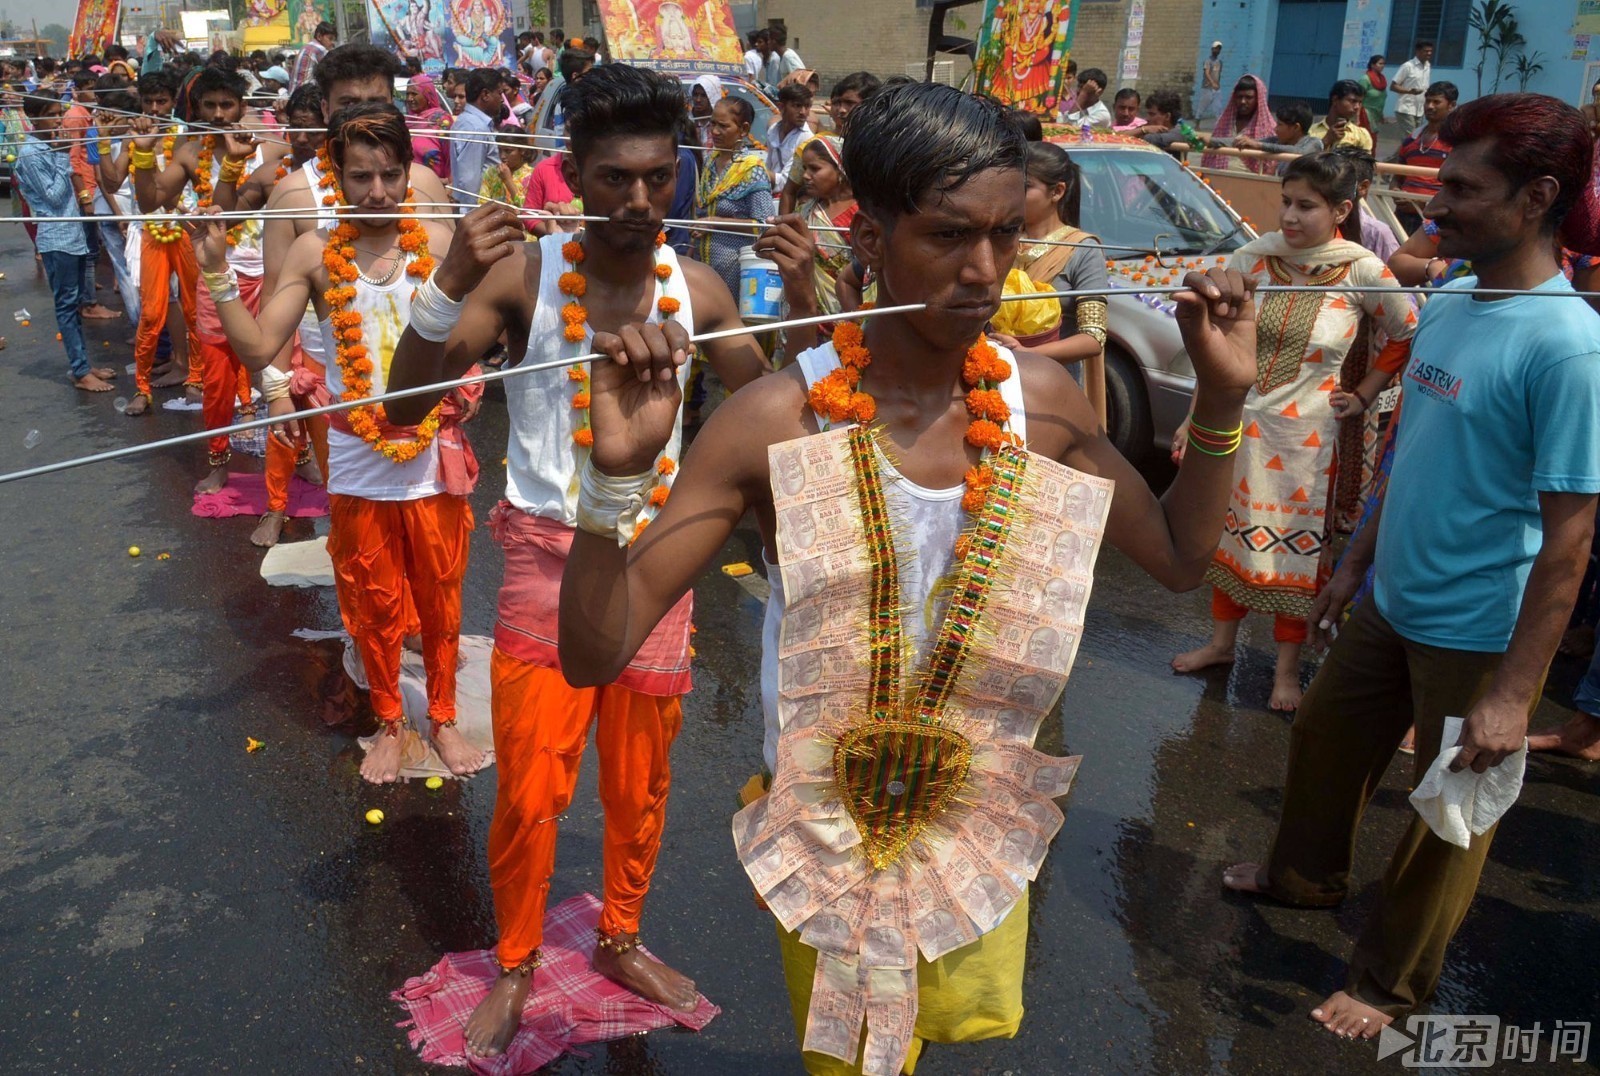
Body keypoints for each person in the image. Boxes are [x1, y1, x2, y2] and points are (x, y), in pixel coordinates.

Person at [554, 79, 1261, 1076]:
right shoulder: (774, 421)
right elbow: (594, 654)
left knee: (938, 1044)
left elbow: (1182, 561)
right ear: (869, 237)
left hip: (978, 824)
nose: (984, 271)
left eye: (1005, 235)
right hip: (831, 831)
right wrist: (610, 484)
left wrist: (1223, 401)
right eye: (948, 235)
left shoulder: (1040, 401)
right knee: (856, 1062)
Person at [379, 61, 767, 1059]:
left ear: (678, 173)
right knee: (529, 787)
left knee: (640, 782)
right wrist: (447, 285)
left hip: (656, 560)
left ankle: (621, 936)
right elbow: (403, 406)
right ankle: (515, 960)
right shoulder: (526, 278)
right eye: (614, 178)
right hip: (548, 563)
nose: (638, 199)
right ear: (573, 175)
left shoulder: (700, 288)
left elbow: (772, 414)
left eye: (657, 176)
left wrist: (810, 297)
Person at [1223, 93, 1600, 1038]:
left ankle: (1390, 985)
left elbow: (1570, 540)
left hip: (1479, 634)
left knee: (1450, 814)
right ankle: (1302, 879)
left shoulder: (1568, 348)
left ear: (1537, 197)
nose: (1438, 206)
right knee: (1322, 738)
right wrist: (1353, 568)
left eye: (1464, 189)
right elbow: (1409, 456)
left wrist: (1512, 695)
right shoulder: (1456, 301)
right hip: (1390, 599)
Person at [195, 103, 485, 785]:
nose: (378, 192)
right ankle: (390, 721)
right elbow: (259, 346)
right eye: (361, 177)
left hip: (430, 461)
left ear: (409, 172)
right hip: (356, 463)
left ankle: (442, 719)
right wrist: (215, 273)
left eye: (390, 175)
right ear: (337, 176)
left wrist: (469, 384)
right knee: (370, 601)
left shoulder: (441, 243)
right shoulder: (314, 252)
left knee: (440, 599)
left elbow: (478, 336)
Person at [1172, 152, 1417, 711]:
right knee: (1227, 538)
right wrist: (1193, 417)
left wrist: (1365, 393)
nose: (1289, 216)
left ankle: (1286, 672)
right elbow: (1214, 344)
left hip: (1311, 444)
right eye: (1286, 202)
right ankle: (1221, 645)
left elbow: (1406, 331)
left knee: (1298, 555)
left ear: (1342, 211)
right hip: (1242, 428)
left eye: (1306, 206)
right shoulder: (1252, 260)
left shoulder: (1362, 269)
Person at [132, 66, 268, 494]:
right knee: (216, 379)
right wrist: (142, 155)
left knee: (285, 375)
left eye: (227, 104)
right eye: (210, 105)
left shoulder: (272, 147)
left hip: (273, 273)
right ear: (198, 109)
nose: (219, 114)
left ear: (242, 107)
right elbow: (151, 200)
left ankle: (299, 460)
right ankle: (219, 464)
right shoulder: (191, 152)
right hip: (218, 275)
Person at [211, 81, 330, 547]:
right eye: (295, 128)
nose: (302, 139)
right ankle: (276, 508)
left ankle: (341, 506)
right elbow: (221, 217)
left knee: (334, 426)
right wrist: (232, 163)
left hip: (330, 323)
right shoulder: (272, 177)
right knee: (278, 410)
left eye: (313, 130)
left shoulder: (355, 179)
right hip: (282, 310)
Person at [14, 95, 117, 392]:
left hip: (72, 235)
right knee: (67, 306)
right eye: (51, 114)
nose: (58, 120)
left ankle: (82, 364)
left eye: (59, 113)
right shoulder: (31, 153)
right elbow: (54, 197)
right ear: (34, 118)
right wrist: (63, 156)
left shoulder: (50, 146)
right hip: (57, 239)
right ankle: (80, 370)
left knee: (74, 305)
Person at [122, 69, 204, 415]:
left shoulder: (184, 137)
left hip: (183, 228)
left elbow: (173, 193)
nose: (154, 108)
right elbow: (111, 182)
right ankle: (142, 388)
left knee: (194, 308)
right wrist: (102, 142)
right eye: (148, 102)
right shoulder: (132, 136)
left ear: (173, 102)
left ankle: (196, 378)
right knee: (152, 312)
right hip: (151, 231)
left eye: (162, 101)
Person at [1000, 142, 1107, 381]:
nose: (1012, 196)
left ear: (1057, 192)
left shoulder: (1083, 250)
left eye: (1024, 187)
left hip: (1053, 380)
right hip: (995, 372)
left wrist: (1027, 353)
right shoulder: (1001, 241)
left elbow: (1093, 337)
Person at [693, 95, 774, 297]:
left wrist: (715, 222)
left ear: (743, 129)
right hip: (703, 266)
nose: (714, 131)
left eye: (723, 126)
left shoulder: (752, 170)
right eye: (713, 124)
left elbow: (764, 224)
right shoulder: (710, 162)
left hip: (734, 270)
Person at [63, 70, 120, 322]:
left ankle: (87, 290)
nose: (92, 93)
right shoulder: (76, 117)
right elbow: (73, 159)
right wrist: (85, 195)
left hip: (94, 187)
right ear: (78, 91)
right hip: (87, 189)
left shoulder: (90, 116)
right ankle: (89, 303)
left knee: (92, 249)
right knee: (88, 249)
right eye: (88, 88)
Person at [1389, 81, 1457, 234]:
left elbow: (1458, 186)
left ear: (1451, 105)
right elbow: (1397, 177)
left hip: (1436, 219)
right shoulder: (1411, 139)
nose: (1430, 106)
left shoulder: (1456, 142)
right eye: (1427, 101)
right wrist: (1396, 193)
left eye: (1436, 102)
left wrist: (1422, 203)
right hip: (1402, 216)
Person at [1203, 75, 1277, 174]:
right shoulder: (1224, 122)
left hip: (1251, 179)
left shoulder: (1269, 128)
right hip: (1218, 176)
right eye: (1239, 97)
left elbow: (1270, 163)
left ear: (1258, 99)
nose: (1243, 101)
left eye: (1248, 97)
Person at [451, 68, 503, 208]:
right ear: (485, 95)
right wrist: (475, 214)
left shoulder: (471, 122)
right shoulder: (475, 127)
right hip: (476, 209)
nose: (502, 99)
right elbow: (470, 179)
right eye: (499, 93)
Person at [1225, 101, 1319, 175]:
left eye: (1280, 125)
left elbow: (1299, 152)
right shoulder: (1277, 141)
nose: (1275, 129)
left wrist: (1259, 145)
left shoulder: (1314, 143)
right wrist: (1215, 142)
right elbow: (1249, 143)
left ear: (1296, 128)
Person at [765, 82, 812, 197]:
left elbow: (785, 182)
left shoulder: (806, 138)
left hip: (790, 198)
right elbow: (769, 166)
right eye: (797, 106)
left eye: (807, 106)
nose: (803, 112)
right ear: (781, 107)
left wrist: (754, 170)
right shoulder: (773, 130)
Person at [404, 73, 452, 180]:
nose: (409, 98)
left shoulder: (442, 121)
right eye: (407, 94)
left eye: (414, 94)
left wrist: (449, 182)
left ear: (427, 95)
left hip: (436, 185)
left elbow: (451, 157)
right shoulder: (407, 122)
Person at [1309, 80, 1374, 152]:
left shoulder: (1361, 135)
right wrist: (1326, 141)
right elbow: (1302, 157)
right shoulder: (1310, 132)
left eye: (1360, 102)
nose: (1357, 107)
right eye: (1353, 101)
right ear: (1335, 100)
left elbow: (1366, 159)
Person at [479, 122, 533, 206]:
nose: (502, 156)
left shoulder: (531, 176)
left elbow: (527, 208)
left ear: (522, 150)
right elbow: (482, 203)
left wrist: (508, 181)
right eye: (500, 150)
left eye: (508, 151)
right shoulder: (491, 172)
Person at [1390, 40, 1432, 135]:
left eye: (1430, 51)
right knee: (1411, 137)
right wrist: (1410, 91)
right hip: (1406, 108)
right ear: (1418, 51)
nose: (1429, 53)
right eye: (1426, 51)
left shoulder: (1427, 66)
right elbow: (1393, 86)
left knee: (1416, 137)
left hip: (1420, 110)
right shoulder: (1408, 66)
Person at [828, 71, 880, 135]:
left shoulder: (883, 139)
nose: (841, 110)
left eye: (849, 103)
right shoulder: (821, 140)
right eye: (836, 103)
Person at [292, 21, 336, 90]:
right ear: (319, 36)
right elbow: (333, 69)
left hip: (294, 92)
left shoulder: (306, 47)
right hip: (306, 92)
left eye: (334, 40)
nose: (333, 43)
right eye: (330, 39)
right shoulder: (320, 49)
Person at [1358, 55, 1387, 131]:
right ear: (1372, 65)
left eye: (1384, 64)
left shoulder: (1382, 80)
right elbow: (1358, 98)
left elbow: (1381, 99)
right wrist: (1357, 116)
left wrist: (1381, 116)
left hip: (1376, 115)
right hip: (1365, 114)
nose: (1382, 66)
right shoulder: (1365, 79)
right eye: (1380, 63)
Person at [1199, 41, 1224, 120]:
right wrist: (1212, 83)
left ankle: (1219, 124)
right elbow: (1206, 73)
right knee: (1202, 107)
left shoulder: (1220, 62)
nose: (1217, 50)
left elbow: (1218, 74)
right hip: (1207, 88)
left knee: (1218, 107)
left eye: (1219, 49)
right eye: (1216, 48)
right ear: (1212, 49)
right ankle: (1197, 122)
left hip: (1216, 88)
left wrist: (1217, 84)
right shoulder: (1208, 61)